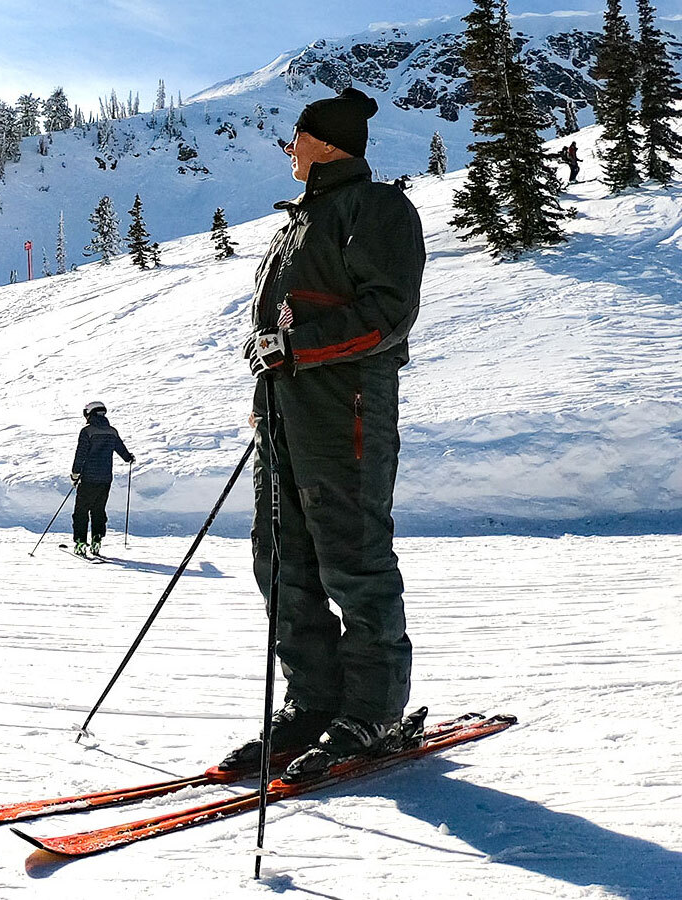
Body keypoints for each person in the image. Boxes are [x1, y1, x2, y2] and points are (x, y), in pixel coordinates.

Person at [230, 86, 426, 776]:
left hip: (347, 411)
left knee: (353, 557)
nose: (288, 148)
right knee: (280, 559)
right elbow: (272, 331)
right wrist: (268, 378)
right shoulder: (295, 224)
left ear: (324, 144)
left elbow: (387, 313)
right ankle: (313, 704)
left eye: (297, 137)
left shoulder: (377, 208)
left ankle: (373, 711)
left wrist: (297, 350)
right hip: (286, 413)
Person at [69, 400, 135, 558]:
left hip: (88, 479)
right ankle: (96, 541)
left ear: (89, 413)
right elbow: (121, 449)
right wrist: (128, 458)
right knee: (98, 510)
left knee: (81, 512)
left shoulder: (87, 431)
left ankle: (80, 543)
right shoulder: (112, 431)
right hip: (105, 479)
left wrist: (75, 474)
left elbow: (81, 454)